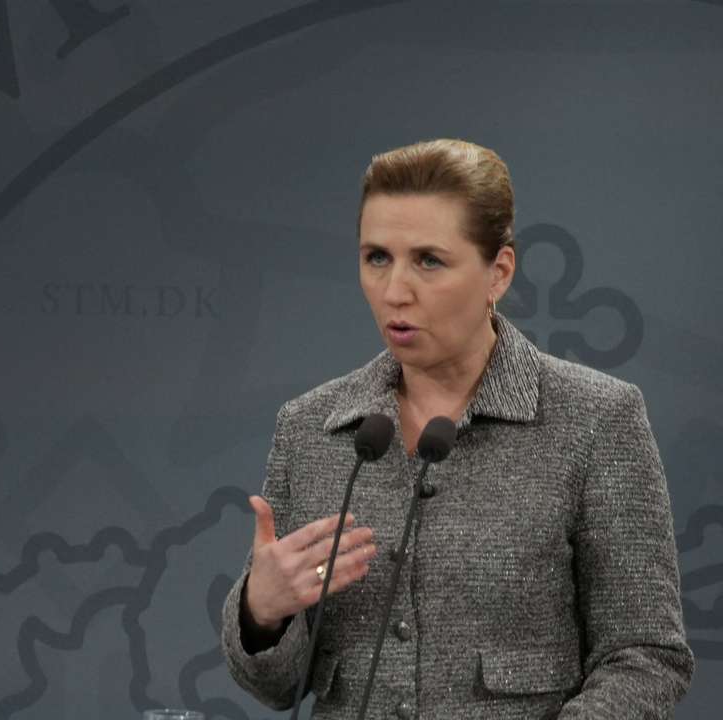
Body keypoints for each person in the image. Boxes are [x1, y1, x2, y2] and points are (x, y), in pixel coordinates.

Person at [220, 139, 693, 718]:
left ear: (498, 272)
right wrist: (262, 613)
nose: (395, 291)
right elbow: (277, 688)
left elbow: (646, 655)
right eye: (376, 257)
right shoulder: (310, 429)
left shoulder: (596, 419)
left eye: (429, 260)